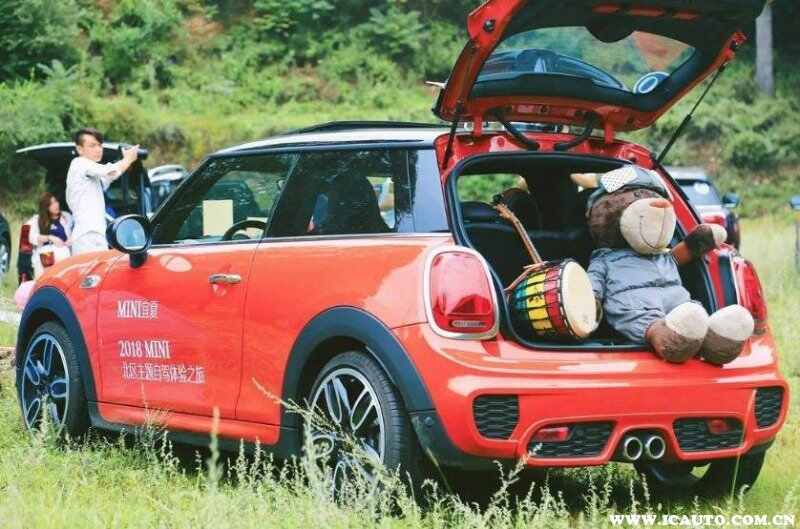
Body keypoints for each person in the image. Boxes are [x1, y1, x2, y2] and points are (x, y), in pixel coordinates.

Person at [66, 128, 139, 255]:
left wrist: (126, 161)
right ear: (79, 149)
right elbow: (110, 172)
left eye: (100, 145)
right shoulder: (80, 163)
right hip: (88, 235)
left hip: (93, 235)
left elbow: (108, 178)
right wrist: (128, 159)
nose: (98, 149)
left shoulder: (90, 174)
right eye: (92, 145)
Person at [28, 192, 73, 277]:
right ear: (45, 207)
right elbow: (31, 236)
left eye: (56, 201)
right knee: (47, 277)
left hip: (64, 253)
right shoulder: (37, 220)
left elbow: (75, 231)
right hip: (46, 253)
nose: (55, 205)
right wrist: (49, 237)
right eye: (51, 204)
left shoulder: (66, 217)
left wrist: (70, 240)